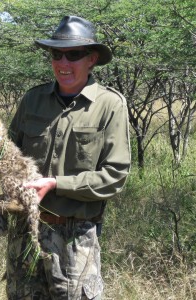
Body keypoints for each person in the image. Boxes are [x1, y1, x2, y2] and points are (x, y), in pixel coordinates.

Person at [7, 15, 131, 300]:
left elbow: (115, 176)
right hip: (25, 229)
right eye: (56, 54)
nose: (63, 64)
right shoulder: (32, 99)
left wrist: (56, 184)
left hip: (75, 236)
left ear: (92, 59)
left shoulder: (110, 105)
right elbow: (11, 155)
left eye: (74, 55)